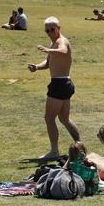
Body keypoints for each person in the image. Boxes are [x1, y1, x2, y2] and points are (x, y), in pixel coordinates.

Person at [27, 17, 81, 159]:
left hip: (59, 84)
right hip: (65, 83)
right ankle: (79, 145)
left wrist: (47, 49)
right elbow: (49, 62)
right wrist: (37, 67)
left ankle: (54, 151)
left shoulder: (61, 41)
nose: (50, 32)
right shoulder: (54, 43)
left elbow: (63, 51)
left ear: (59, 28)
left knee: (49, 118)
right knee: (64, 118)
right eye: (47, 30)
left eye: (52, 29)